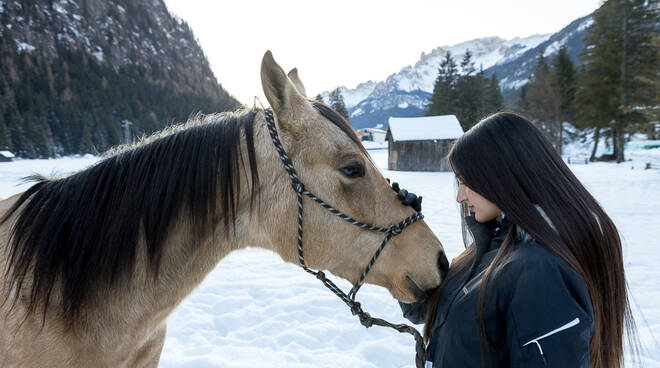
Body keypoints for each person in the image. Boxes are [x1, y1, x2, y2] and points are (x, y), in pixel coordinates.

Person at [400, 112, 635, 368]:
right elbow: (428, 310)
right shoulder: (496, 248)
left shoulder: (538, 271)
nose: (460, 197)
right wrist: (404, 241)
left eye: (466, 182)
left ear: (502, 176)